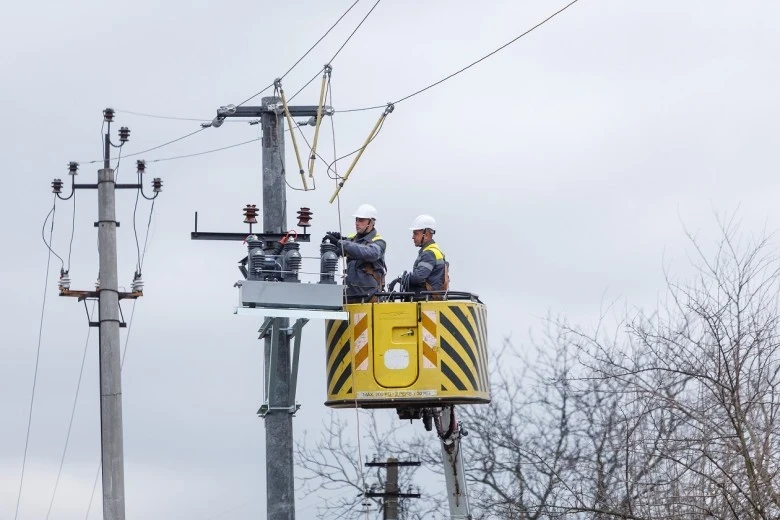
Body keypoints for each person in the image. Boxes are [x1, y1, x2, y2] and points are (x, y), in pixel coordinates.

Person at [325, 204, 387, 303]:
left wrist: (341, 243)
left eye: (361, 220)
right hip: (349, 297)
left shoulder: (379, 242)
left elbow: (369, 253)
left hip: (369, 299)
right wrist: (331, 245)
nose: (357, 223)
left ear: (371, 222)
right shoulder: (352, 239)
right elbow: (335, 254)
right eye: (356, 220)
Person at [403, 214, 449, 295]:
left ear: (426, 235)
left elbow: (418, 278)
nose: (413, 237)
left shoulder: (429, 254)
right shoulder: (435, 250)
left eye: (415, 233)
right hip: (432, 297)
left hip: (427, 298)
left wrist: (404, 278)